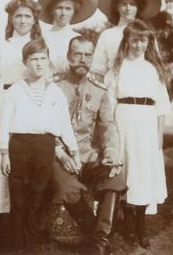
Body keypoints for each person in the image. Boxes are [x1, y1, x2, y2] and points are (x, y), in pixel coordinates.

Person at [0, 0, 42, 253]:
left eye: (27, 16)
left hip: (29, 108)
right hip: (4, 108)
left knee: (23, 176)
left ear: (34, 19)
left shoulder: (39, 46)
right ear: (11, 19)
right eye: (18, 16)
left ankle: (21, 239)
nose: (23, 20)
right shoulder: (0, 47)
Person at [0, 38, 79, 253]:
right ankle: (16, 247)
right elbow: (5, 123)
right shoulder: (16, 90)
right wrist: (5, 153)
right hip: (20, 146)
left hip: (45, 146)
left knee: (37, 197)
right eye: (34, 59)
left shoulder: (55, 92)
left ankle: (30, 245)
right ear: (25, 62)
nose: (39, 63)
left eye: (43, 58)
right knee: (19, 198)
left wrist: (74, 150)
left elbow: (64, 125)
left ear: (48, 61)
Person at [50, 35, 127, 255]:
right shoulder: (53, 89)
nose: (83, 60)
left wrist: (111, 152)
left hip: (87, 155)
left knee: (114, 175)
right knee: (67, 188)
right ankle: (97, 236)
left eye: (87, 55)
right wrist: (61, 154)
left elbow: (107, 126)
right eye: (77, 54)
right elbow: (44, 128)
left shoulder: (99, 90)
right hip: (59, 156)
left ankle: (98, 244)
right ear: (68, 57)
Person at [112, 19, 171, 249]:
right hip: (124, 120)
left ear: (149, 42)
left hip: (147, 122)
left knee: (144, 173)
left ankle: (141, 228)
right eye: (134, 40)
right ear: (127, 41)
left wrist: (159, 134)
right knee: (127, 171)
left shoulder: (152, 69)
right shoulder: (118, 67)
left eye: (143, 40)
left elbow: (162, 104)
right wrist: (113, 135)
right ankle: (127, 226)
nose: (138, 45)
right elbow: (109, 101)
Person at [90, 0, 161, 107]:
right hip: (113, 92)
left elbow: (156, 68)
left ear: (138, 7)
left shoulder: (146, 34)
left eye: (132, 4)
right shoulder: (107, 35)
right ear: (117, 7)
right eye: (124, 4)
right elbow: (98, 71)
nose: (128, 8)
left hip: (141, 93)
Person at [38, 0, 97, 75]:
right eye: (59, 8)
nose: (63, 13)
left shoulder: (79, 39)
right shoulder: (42, 38)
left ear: (74, 12)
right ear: (52, 11)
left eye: (68, 9)